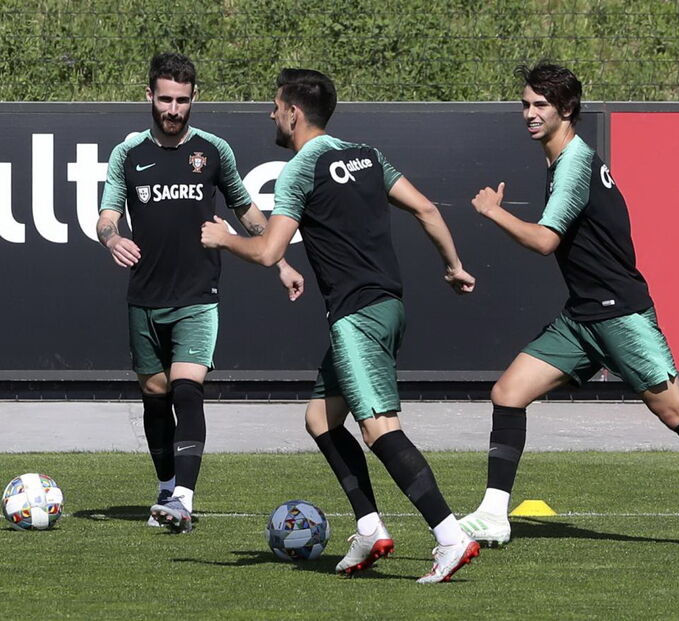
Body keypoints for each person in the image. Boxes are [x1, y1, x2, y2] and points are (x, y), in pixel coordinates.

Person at [460, 62, 679, 552]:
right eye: (525, 104)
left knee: (675, 410)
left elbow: (545, 241)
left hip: (619, 313)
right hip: (582, 316)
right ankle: (494, 514)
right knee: (509, 392)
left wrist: (494, 213)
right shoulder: (565, 160)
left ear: (567, 110)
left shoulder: (575, 163)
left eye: (541, 105)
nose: (530, 114)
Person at [200, 68, 480, 582]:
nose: (271, 113)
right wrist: (452, 265)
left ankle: (449, 535)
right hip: (388, 307)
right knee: (320, 419)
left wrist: (222, 240)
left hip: (356, 317)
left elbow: (267, 251)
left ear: (294, 113)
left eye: (275, 105)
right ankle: (371, 528)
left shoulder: (299, 171)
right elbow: (426, 208)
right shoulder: (368, 155)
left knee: (379, 429)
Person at [96, 52, 304, 534]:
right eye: (165, 99)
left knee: (188, 390)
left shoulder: (214, 151)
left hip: (197, 295)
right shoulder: (128, 154)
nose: (173, 109)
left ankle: (184, 499)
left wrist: (281, 263)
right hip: (144, 297)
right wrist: (113, 237)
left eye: (182, 101)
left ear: (194, 99)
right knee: (154, 394)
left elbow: (249, 213)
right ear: (149, 96)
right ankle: (167, 487)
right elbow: (107, 215)